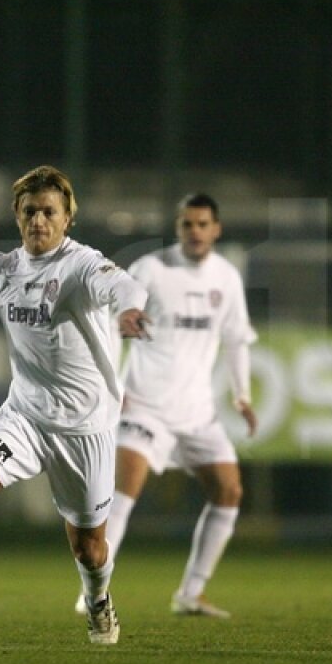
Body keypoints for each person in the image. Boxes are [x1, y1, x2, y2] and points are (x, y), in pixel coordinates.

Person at [0, 165, 150, 646]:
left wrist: (131, 310)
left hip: (85, 429)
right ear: (17, 216)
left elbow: (123, 287)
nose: (40, 220)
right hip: (24, 418)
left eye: (49, 212)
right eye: (31, 211)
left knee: (90, 549)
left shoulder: (81, 266)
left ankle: (99, 602)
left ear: (67, 219)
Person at [76, 192, 257, 619]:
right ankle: (93, 590)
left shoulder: (226, 279)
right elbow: (111, 323)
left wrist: (243, 394)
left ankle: (191, 593)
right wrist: (113, 386)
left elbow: (236, 339)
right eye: (187, 224)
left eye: (202, 224)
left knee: (229, 490)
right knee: (122, 491)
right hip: (145, 404)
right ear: (177, 229)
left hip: (198, 412)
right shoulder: (151, 270)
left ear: (216, 229)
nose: (194, 232)